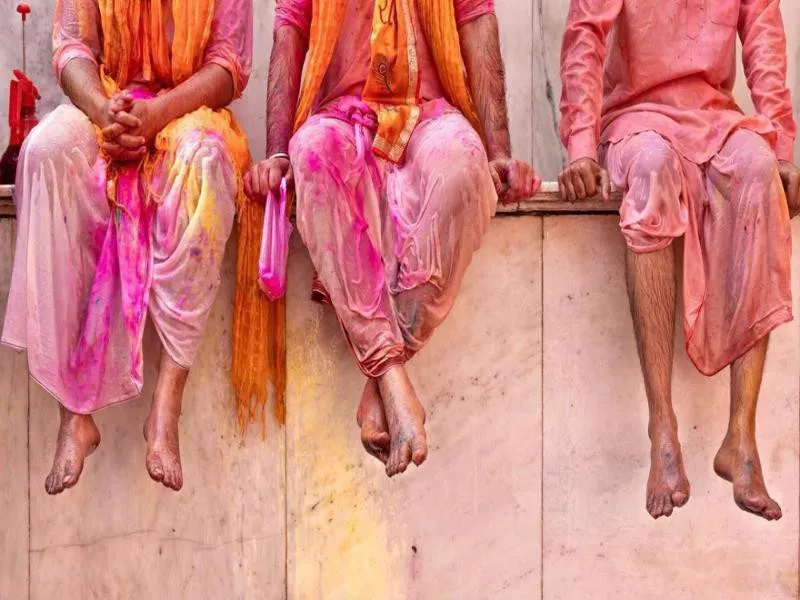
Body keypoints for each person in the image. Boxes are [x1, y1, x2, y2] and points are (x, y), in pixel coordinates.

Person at [246, 0, 539, 477]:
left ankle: (383, 378)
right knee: (311, 153)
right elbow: (290, 34)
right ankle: (393, 379)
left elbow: (477, 26)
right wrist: (277, 150)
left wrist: (500, 150)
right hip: (341, 116)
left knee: (466, 168)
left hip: (429, 114)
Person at [559, 0, 799, 520]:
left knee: (758, 173)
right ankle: (662, 424)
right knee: (651, 167)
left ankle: (740, 435)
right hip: (636, 119)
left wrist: (781, 147)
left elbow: (763, 43)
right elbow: (585, 38)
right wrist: (580, 146)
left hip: (714, 119)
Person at [2, 0, 253, 493]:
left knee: (206, 161)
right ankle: (74, 413)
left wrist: (157, 114)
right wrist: (103, 110)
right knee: (45, 151)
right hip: (109, 109)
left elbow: (228, 68)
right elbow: (72, 50)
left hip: (188, 114)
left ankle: (165, 405)